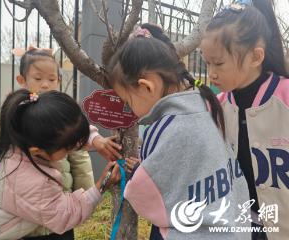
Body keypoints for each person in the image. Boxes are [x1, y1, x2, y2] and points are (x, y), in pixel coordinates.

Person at [107, 27, 250, 240]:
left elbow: (145, 195)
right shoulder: (206, 104)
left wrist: (138, 172)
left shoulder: (164, 128)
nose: (129, 109)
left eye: (128, 102)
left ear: (147, 87)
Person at [0, 47, 122, 239]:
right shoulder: (11, 115)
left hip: (60, 205)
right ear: (22, 80)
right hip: (25, 215)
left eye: (52, 79)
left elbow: (76, 137)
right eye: (38, 79)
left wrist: (96, 142)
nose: (46, 85)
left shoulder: (58, 112)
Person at [200, 0, 289, 239]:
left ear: (255, 57)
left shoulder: (285, 98)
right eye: (207, 62)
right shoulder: (214, 108)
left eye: (218, 63)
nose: (211, 73)